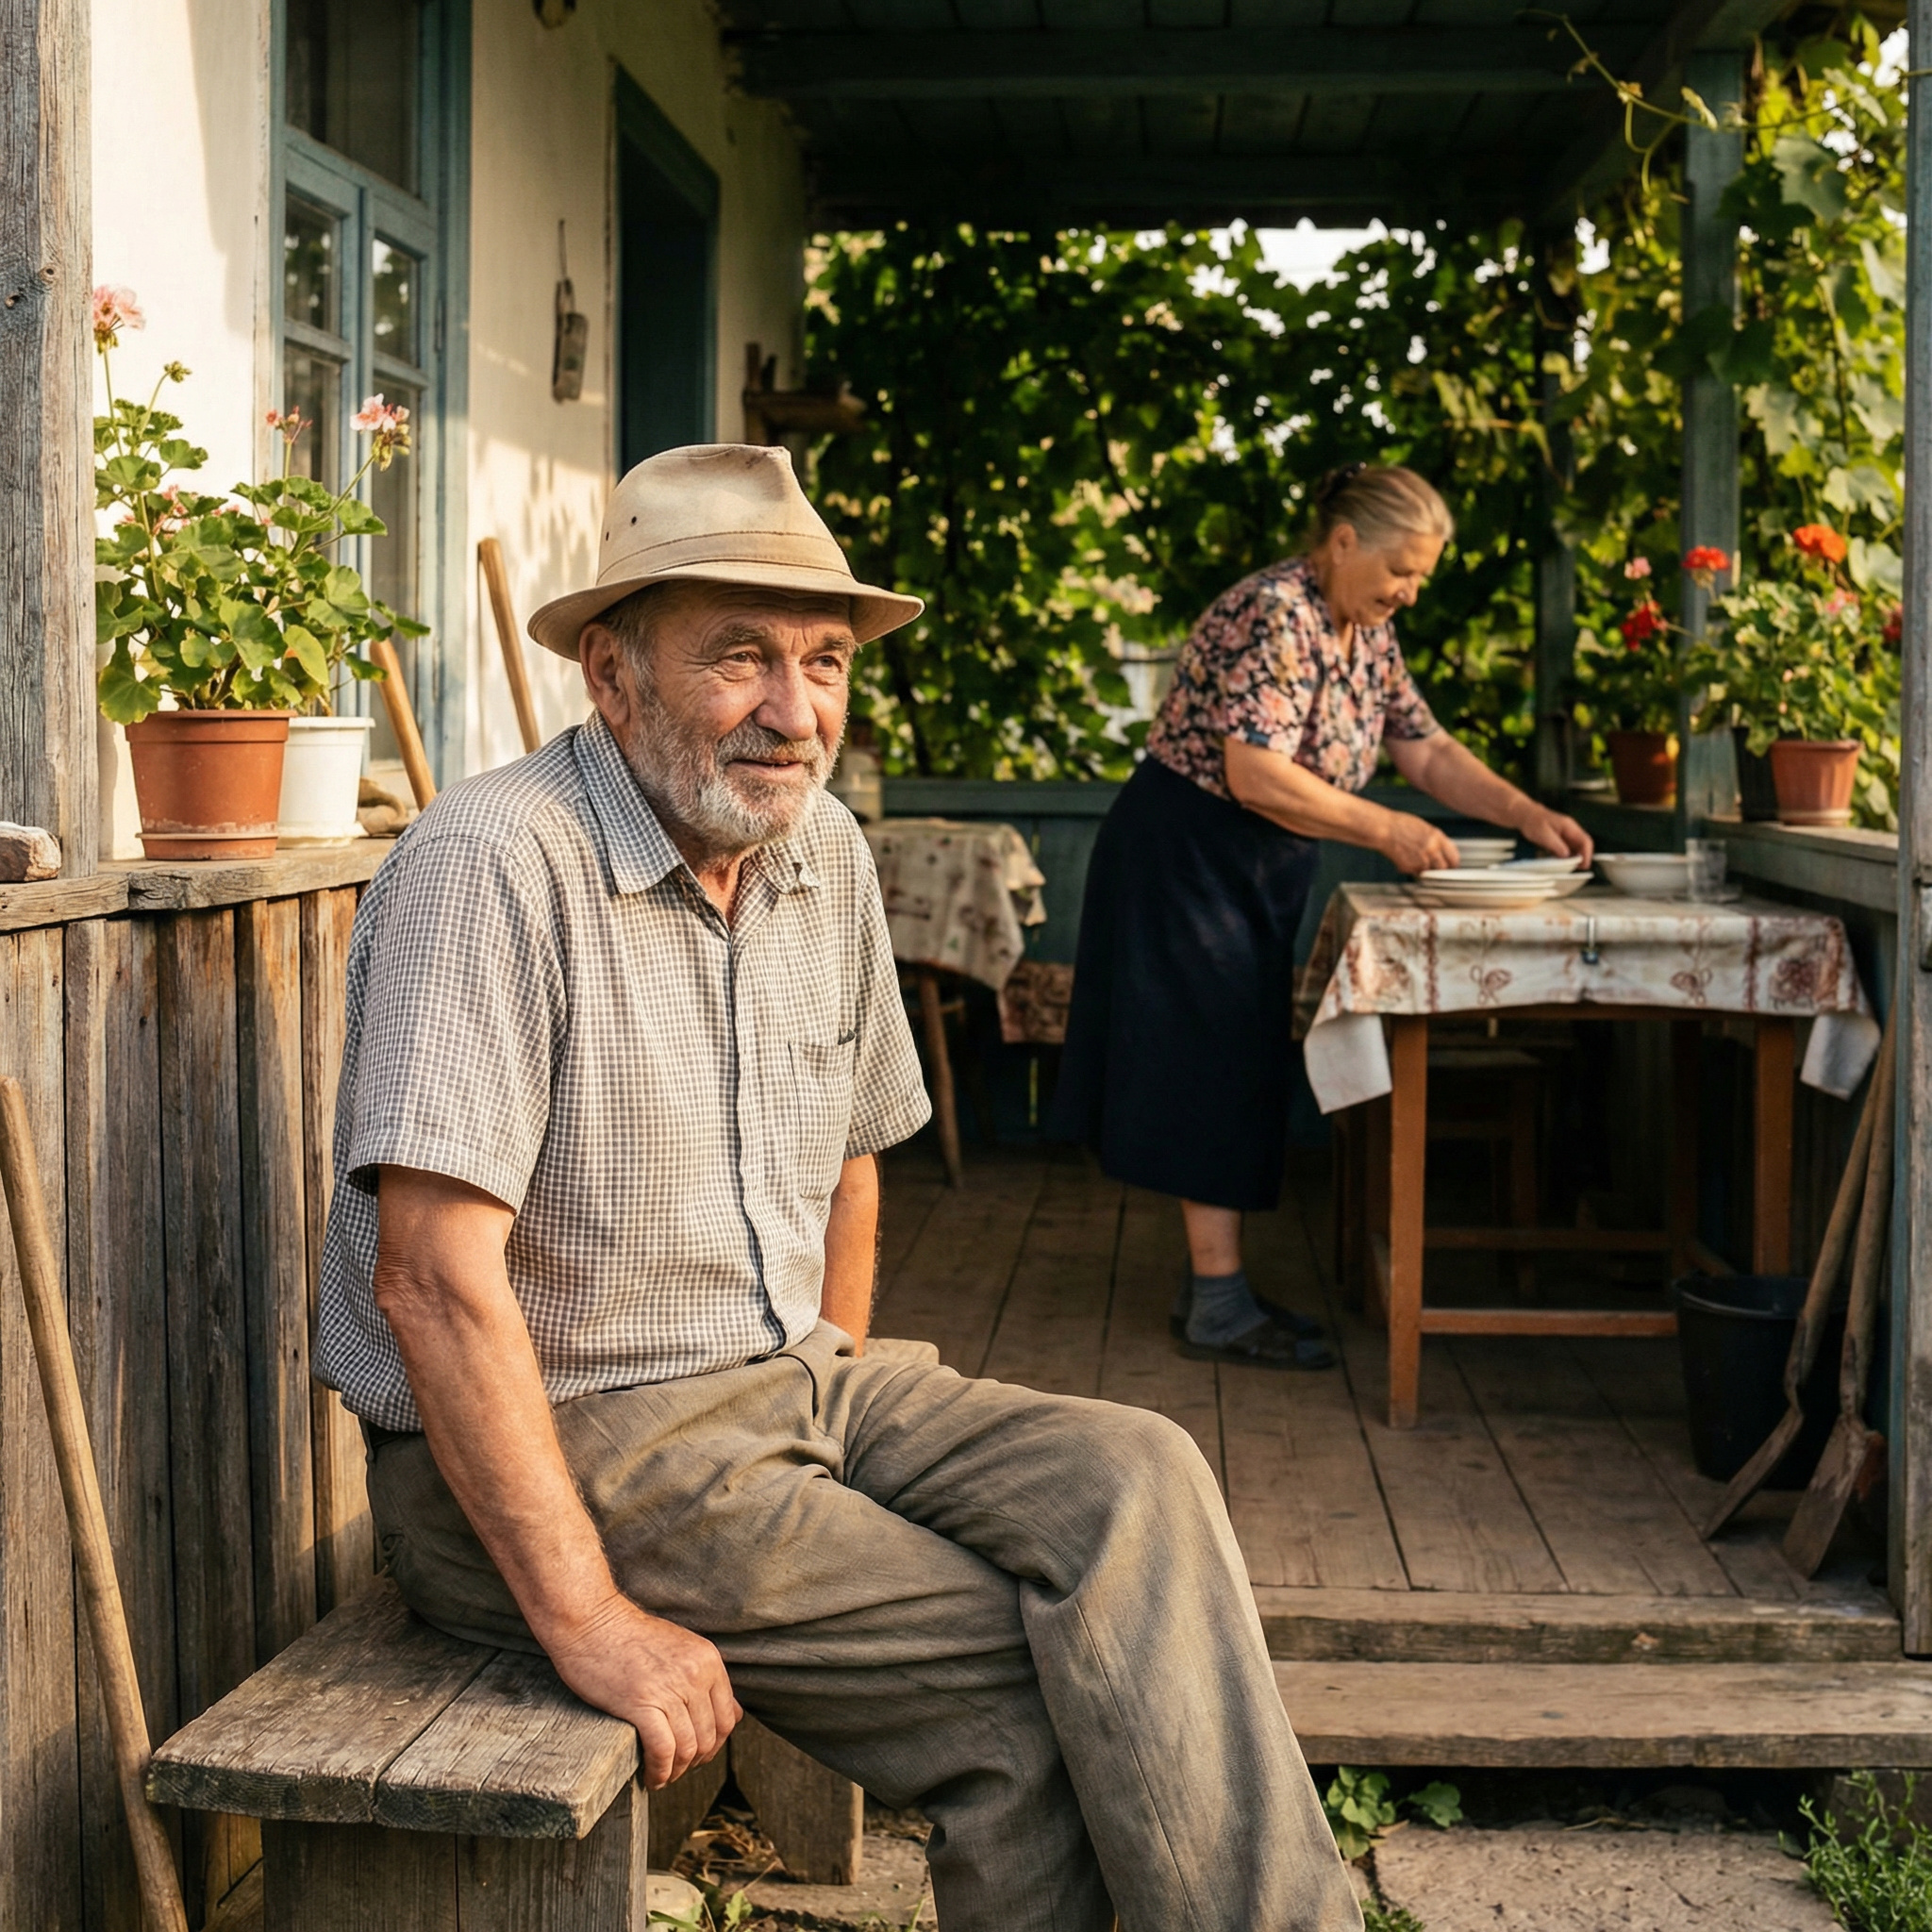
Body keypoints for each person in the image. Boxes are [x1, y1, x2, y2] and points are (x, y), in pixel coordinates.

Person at [315, 443, 1362, 1932]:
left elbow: (852, 1163)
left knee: (1142, 1474)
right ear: (611, 676)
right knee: (1027, 1690)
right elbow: (429, 1279)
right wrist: (591, 1618)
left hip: (799, 1382)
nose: (795, 711)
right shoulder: (491, 862)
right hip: (569, 1430)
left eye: (824, 661)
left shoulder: (824, 855)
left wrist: (835, 1392)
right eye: (739, 657)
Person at [1051, 462, 1592, 1370]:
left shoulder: (1365, 633)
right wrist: (1387, 829)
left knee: (1235, 1055)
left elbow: (1427, 750)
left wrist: (1524, 813)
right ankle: (1218, 1303)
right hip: (1189, 850)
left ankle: (1212, 1289)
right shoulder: (1278, 614)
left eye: (1420, 576)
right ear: (1343, 543)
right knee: (1209, 1062)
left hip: (1255, 860)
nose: (1409, 591)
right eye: (1401, 570)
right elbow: (1253, 773)